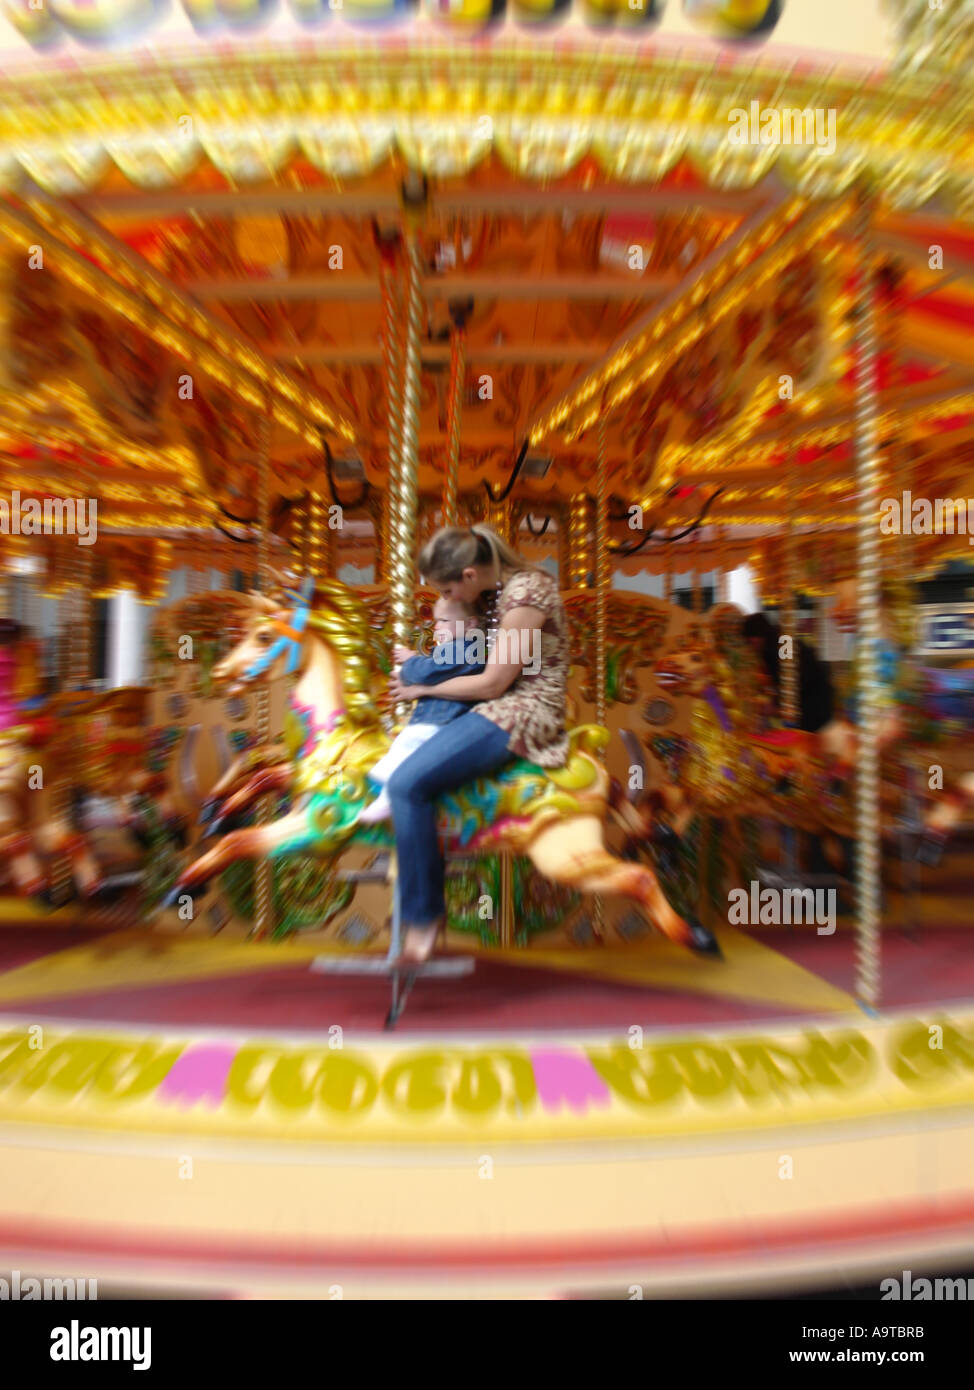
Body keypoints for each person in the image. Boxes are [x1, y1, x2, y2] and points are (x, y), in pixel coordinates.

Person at [387, 524, 569, 963]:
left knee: (405, 784)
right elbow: (466, 652)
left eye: (449, 587)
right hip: (493, 703)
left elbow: (493, 683)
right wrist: (420, 667)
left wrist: (423, 689)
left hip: (523, 709)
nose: (447, 596)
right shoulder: (492, 594)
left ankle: (424, 916)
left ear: (470, 575)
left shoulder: (528, 596)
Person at [356, 596, 484, 824]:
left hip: (441, 720)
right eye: (436, 621)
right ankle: (383, 790)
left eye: (444, 620)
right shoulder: (460, 649)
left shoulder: (466, 647)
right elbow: (436, 665)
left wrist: (409, 665)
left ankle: (388, 798)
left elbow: (426, 671)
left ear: (471, 624)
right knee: (404, 746)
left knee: (408, 744)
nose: (437, 627)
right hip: (443, 718)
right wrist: (419, 660)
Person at [742, 610, 834, 733]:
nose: (750, 647)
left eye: (750, 641)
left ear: (759, 636)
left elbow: (794, 679)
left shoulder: (783, 642)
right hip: (808, 703)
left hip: (813, 704)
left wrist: (777, 708)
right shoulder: (771, 647)